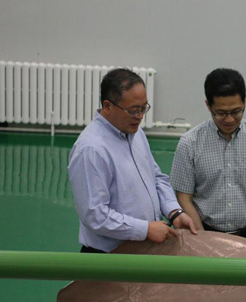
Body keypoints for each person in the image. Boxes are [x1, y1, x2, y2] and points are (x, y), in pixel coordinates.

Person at [68, 68, 197, 253]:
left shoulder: (135, 134)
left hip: (143, 249)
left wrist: (174, 212)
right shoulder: (91, 149)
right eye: (133, 110)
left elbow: (156, 178)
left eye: (143, 108)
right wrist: (145, 229)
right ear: (107, 106)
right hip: (109, 257)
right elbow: (94, 215)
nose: (140, 116)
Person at [171, 68, 246, 242]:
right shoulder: (189, 143)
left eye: (236, 111)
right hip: (203, 233)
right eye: (221, 113)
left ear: (245, 102)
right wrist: (203, 238)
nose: (229, 119)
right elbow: (184, 198)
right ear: (208, 105)